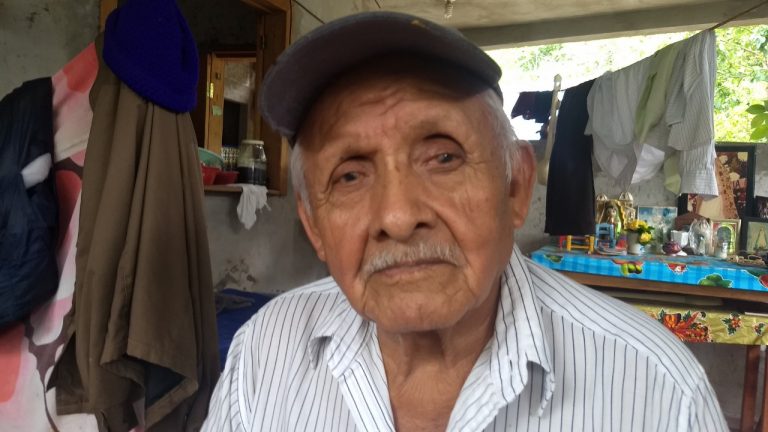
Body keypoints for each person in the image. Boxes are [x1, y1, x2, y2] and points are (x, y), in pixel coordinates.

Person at [203, 11, 727, 432]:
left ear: (515, 186)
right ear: (314, 226)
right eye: (350, 175)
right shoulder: (264, 352)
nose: (398, 217)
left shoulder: (656, 390)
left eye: (444, 158)